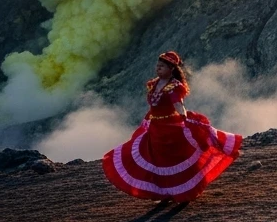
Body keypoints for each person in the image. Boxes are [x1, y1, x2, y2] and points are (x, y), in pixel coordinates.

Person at [102, 51, 241, 201]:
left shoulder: (174, 86)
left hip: (170, 127)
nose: (158, 68)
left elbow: (178, 104)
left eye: (162, 66)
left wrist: (184, 118)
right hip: (155, 127)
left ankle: (181, 191)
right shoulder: (154, 84)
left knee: (173, 159)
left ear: (171, 69)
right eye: (158, 65)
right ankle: (164, 192)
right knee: (156, 160)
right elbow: (154, 106)